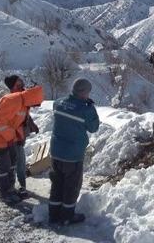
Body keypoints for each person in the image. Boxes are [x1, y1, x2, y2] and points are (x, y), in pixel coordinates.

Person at [0, 75, 45, 204]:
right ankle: (5, 193)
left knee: (12, 164)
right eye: (36, 103)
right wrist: (11, 138)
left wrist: (19, 136)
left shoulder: (23, 101)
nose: (36, 106)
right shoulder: (13, 100)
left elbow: (16, 123)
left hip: (7, 139)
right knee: (5, 166)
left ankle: (9, 189)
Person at [48, 78, 100, 225]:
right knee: (71, 186)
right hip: (72, 155)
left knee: (57, 183)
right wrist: (91, 109)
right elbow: (94, 128)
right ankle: (66, 216)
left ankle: (53, 214)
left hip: (56, 152)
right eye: (88, 92)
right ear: (84, 92)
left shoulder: (58, 103)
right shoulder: (86, 109)